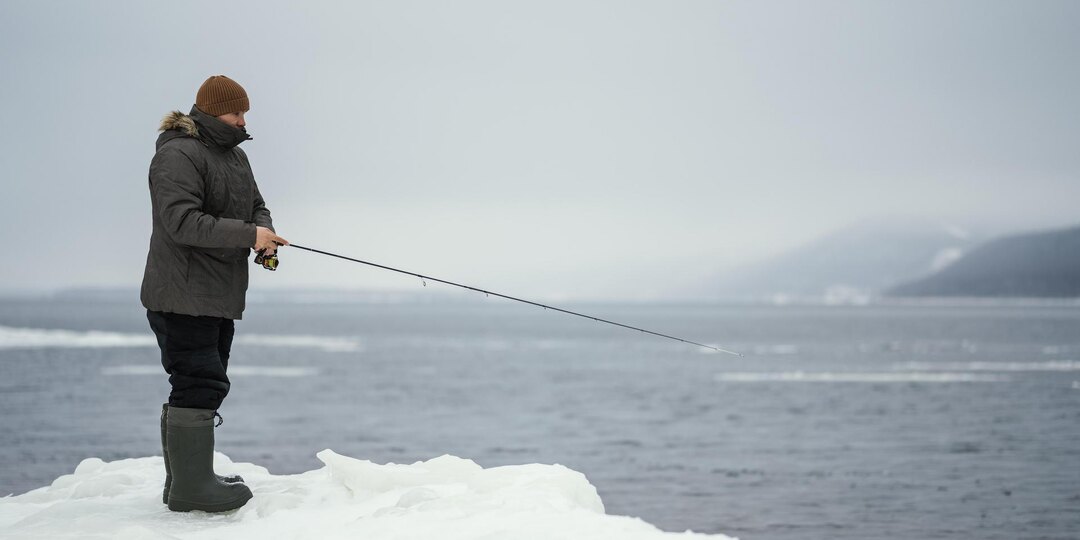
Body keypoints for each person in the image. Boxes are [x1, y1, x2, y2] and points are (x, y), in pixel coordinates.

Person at [140, 75, 288, 513]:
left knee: (204, 381)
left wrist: (262, 231)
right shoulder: (178, 155)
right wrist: (248, 234)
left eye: (245, 113)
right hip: (181, 294)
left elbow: (257, 205)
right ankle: (191, 489)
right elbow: (181, 222)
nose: (243, 121)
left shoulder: (235, 156)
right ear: (208, 111)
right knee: (199, 382)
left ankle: (185, 479)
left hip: (217, 293)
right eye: (235, 112)